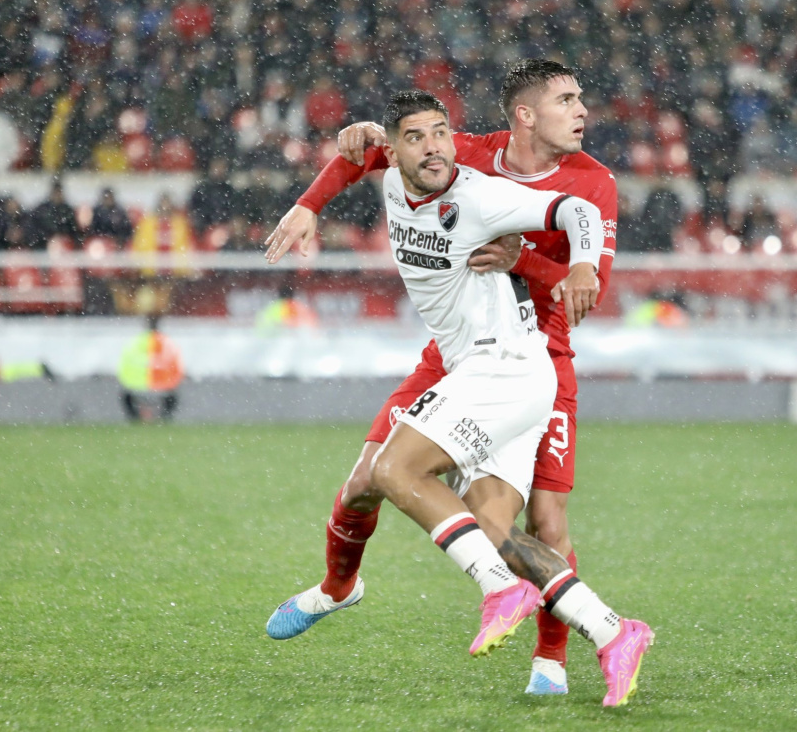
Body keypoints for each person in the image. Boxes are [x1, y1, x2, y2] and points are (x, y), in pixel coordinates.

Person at [265, 91, 652, 707]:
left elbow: (578, 212)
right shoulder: (395, 175)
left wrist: (582, 267)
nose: (434, 147)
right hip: (486, 367)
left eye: (441, 133)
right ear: (395, 150)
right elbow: (357, 154)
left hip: (504, 368)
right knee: (484, 524)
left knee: (396, 471)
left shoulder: (477, 194)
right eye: (416, 138)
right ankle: (614, 631)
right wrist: (309, 205)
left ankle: (501, 592)